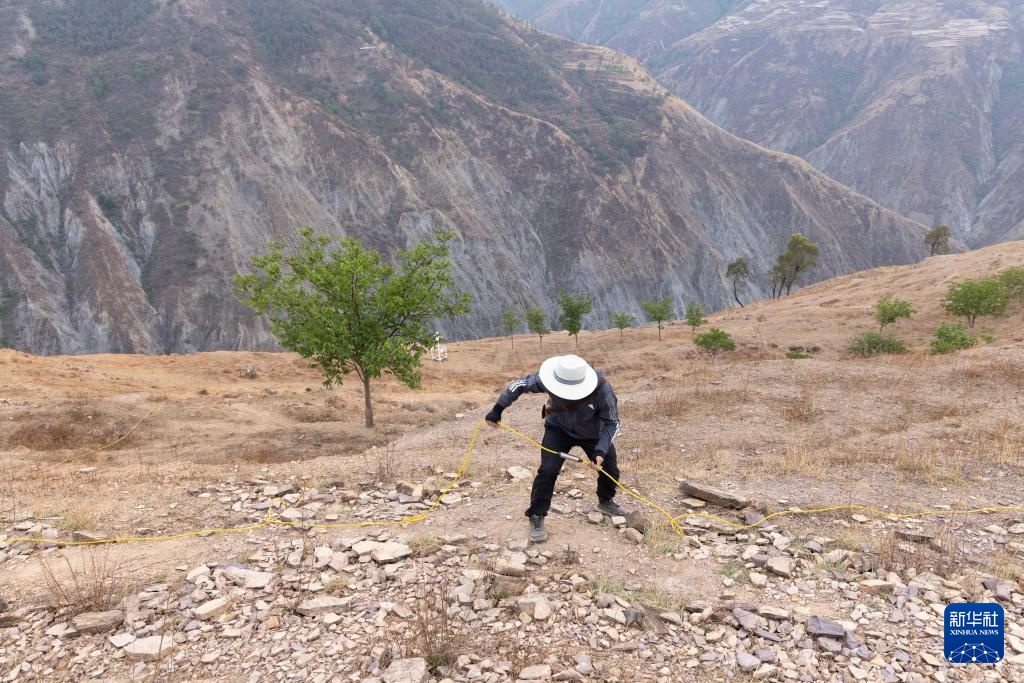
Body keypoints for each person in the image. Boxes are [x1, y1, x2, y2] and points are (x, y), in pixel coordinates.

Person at [485, 354, 630, 543]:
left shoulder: (603, 389)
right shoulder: (548, 379)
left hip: (593, 434)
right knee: (548, 470)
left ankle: (606, 501)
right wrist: (497, 409)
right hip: (558, 429)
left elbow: (612, 422)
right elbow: (520, 385)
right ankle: (537, 515)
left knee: (610, 469)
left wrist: (601, 451)